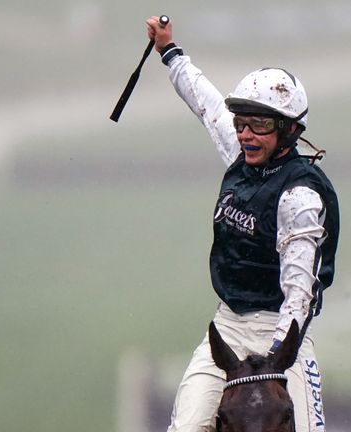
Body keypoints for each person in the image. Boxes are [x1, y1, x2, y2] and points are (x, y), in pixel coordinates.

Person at [144, 16, 340, 432]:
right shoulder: (243, 151)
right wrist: (169, 51)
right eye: (242, 123)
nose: (246, 134)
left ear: (289, 131)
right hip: (228, 327)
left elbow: (298, 293)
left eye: (260, 125)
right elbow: (206, 104)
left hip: (284, 339)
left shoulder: (301, 196)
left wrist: (273, 361)